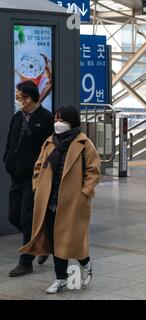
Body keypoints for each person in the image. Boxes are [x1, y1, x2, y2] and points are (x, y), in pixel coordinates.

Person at [19, 105, 101, 294]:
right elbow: (38, 167)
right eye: (56, 120)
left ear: (71, 122)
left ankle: (85, 262)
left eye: (62, 120)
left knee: (69, 241)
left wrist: (84, 193)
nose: (58, 123)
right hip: (49, 200)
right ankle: (61, 279)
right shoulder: (50, 142)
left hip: (73, 202)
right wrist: (37, 186)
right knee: (57, 242)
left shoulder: (84, 144)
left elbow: (93, 171)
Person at [3, 80, 53, 277]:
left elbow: (50, 149)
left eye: (18, 98)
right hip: (16, 173)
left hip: (34, 177)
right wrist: (7, 160)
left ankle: (26, 262)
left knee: (26, 219)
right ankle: (42, 240)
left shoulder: (46, 118)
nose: (16, 101)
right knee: (13, 217)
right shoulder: (17, 117)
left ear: (28, 99)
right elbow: (10, 142)